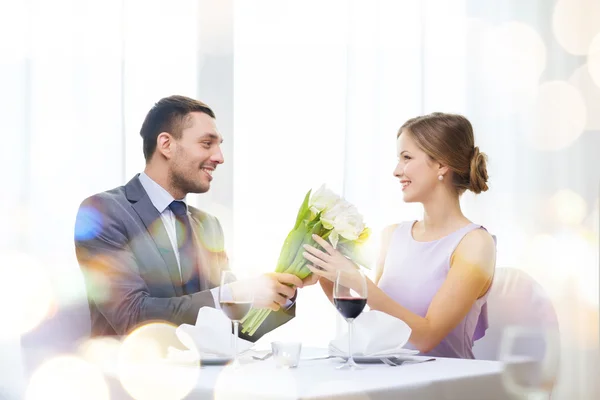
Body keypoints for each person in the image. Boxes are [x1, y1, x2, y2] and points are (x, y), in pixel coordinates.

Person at [75, 95, 316, 340]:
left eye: (219, 145)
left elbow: (235, 328)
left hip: (203, 377)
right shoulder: (104, 211)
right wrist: (230, 295)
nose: (219, 157)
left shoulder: (209, 226)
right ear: (166, 144)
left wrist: (283, 288)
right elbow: (131, 315)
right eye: (206, 143)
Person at [303, 112, 496, 358]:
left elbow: (426, 337)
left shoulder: (475, 244)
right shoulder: (392, 235)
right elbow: (378, 327)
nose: (396, 171)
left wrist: (358, 281)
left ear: (441, 164)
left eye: (406, 158)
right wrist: (330, 277)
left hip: (443, 386)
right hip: (389, 379)